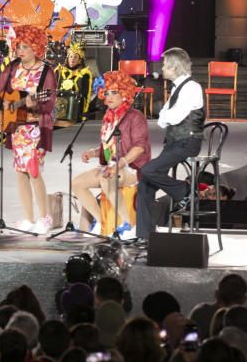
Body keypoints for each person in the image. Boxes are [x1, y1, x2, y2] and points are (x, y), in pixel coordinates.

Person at [0, 24, 58, 234]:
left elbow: (50, 101)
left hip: (36, 128)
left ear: (36, 48)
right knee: (21, 173)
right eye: (19, 46)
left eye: (26, 47)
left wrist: (34, 103)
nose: (21, 51)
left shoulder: (46, 71)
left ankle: (45, 218)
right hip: (17, 129)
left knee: (34, 171)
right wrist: (4, 104)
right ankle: (28, 218)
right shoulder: (12, 68)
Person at [135, 47, 204, 244]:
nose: (162, 69)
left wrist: (167, 115)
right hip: (174, 142)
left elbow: (174, 116)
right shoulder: (176, 88)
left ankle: (185, 191)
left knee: (149, 170)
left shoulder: (192, 88)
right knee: (145, 183)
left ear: (174, 67)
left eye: (165, 66)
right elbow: (163, 119)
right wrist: (166, 115)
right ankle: (145, 235)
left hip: (188, 142)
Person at [73, 71, 151, 237]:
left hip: (132, 168)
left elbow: (139, 148)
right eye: (106, 93)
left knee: (106, 179)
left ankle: (129, 225)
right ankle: (101, 221)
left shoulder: (135, 117)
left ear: (124, 93)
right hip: (111, 166)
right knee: (77, 183)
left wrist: (119, 164)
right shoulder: (109, 117)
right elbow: (109, 146)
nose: (108, 97)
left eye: (113, 92)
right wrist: (93, 153)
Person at [58, 41, 93, 119]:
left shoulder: (84, 74)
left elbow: (86, 95)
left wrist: (84, 112)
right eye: (71, 56)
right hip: (60, 108)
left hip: (76, 108)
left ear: (79, 60)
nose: (72, 59)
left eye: (75, 57)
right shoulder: (60, 71)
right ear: (67, 58)